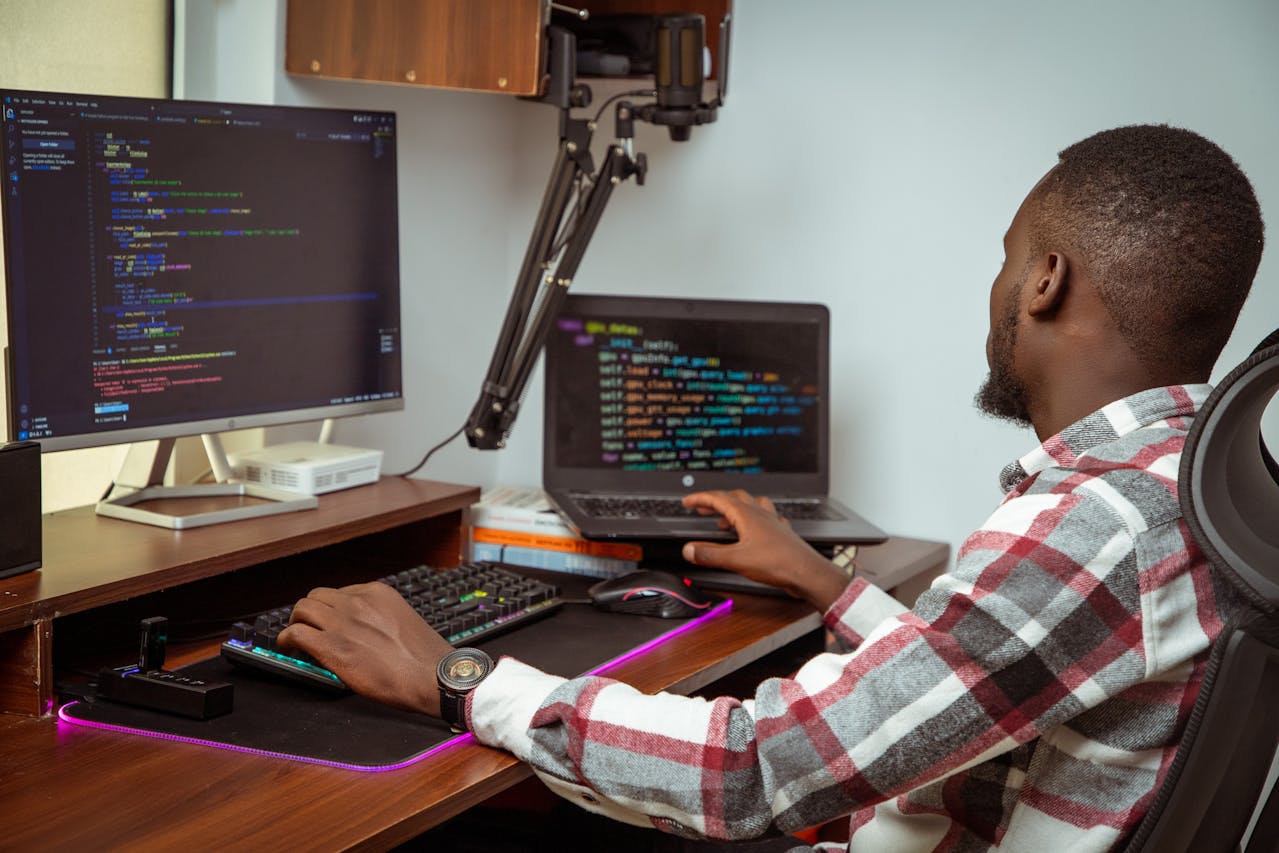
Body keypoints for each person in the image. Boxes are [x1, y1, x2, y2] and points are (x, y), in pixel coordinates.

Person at [278, 124, 1265, 851]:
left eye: (1005, 261)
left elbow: (753, 768)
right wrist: (829, 587)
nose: (998, 287)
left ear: (1044, 281)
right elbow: (986, 675)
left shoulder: (1094, 524)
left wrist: (454, 677)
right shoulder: (1202, 485)